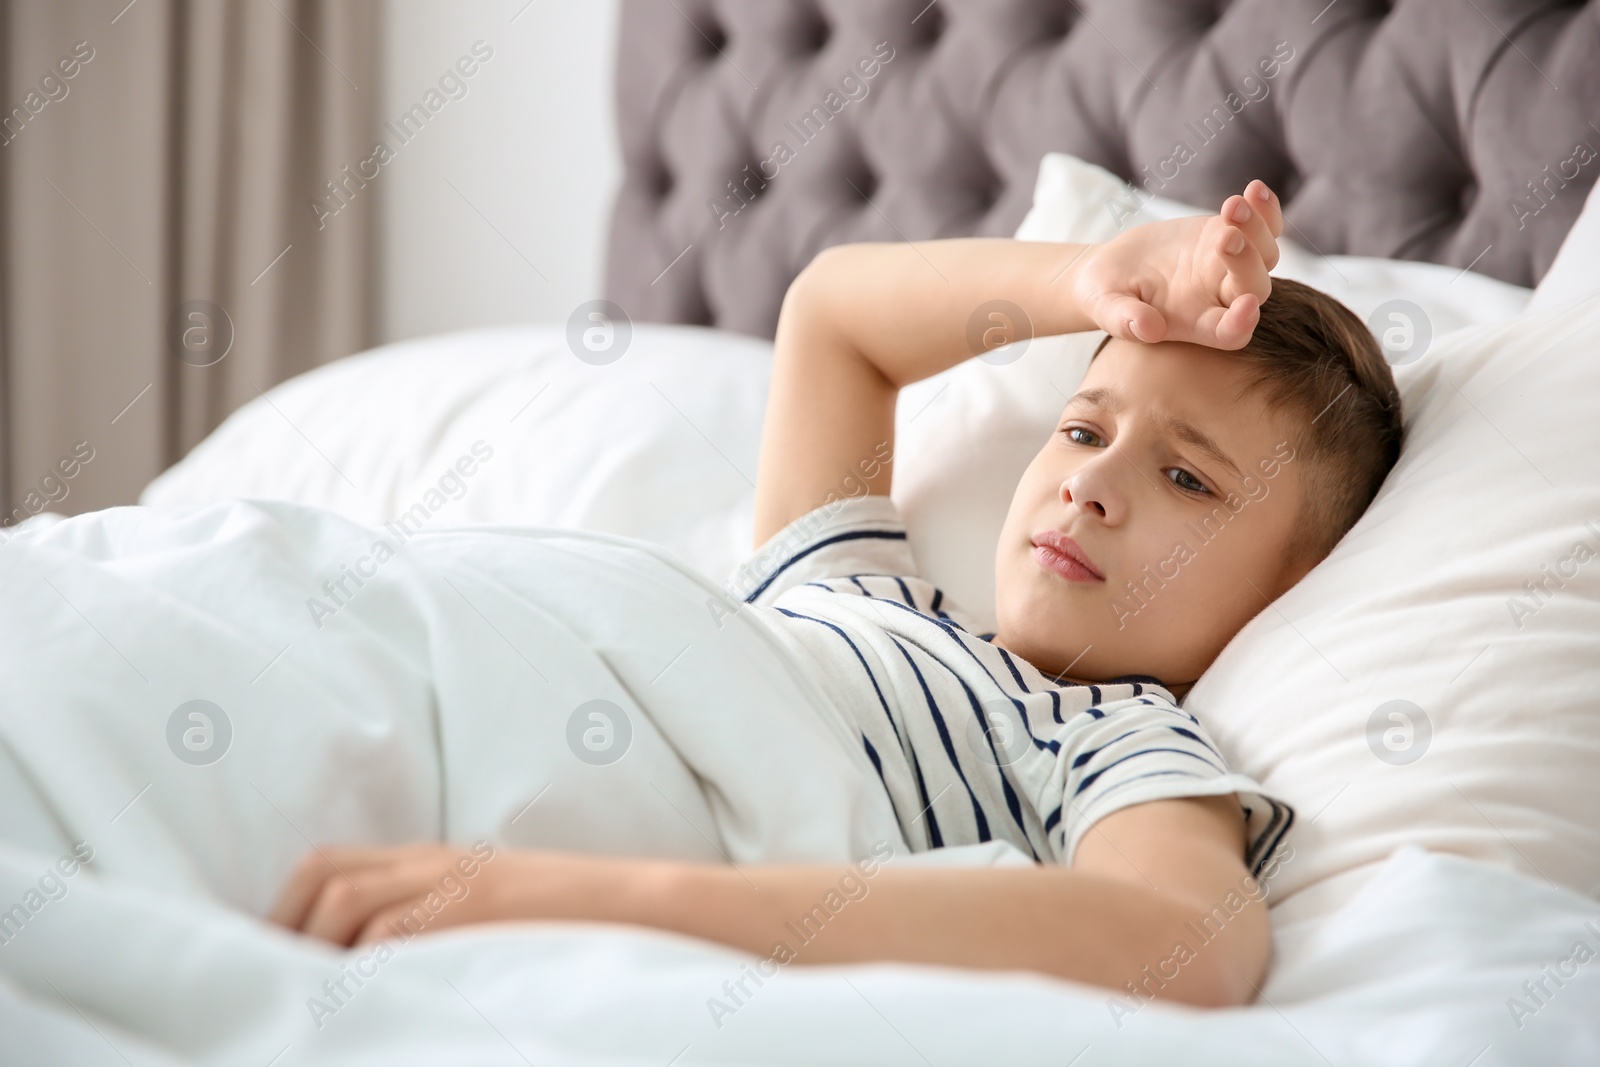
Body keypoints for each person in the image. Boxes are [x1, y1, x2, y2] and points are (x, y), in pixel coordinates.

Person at [271, 180, 1402, 1009]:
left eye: (1185, 476)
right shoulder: (855, 580)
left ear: (1290, 585)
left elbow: (1182, 941)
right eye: (1081, 426)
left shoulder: (1118, 739)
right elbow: (835, 318)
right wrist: (1085, 278)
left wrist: (575, 893)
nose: (1090, 483)